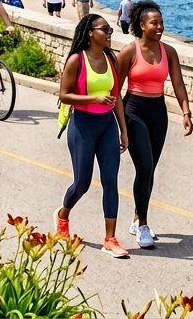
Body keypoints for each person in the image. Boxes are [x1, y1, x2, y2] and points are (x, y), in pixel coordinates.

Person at [117, 0, 192, 250]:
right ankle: (143, 226)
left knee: (149, 171)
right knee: (145, 167)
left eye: (161, 22)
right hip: (134, 110)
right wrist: (118, 125)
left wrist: (186, 111)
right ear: (141, 24)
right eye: (154, 23)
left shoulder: (168, 51)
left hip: (158, 112)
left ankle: (137, 216)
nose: (160, 27)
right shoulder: (129, 51)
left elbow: (179, 83)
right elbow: (115, 90)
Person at [55, 13, 130, 258]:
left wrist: (123, 130)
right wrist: (92, 98)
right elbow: (64, 95)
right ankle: (63, 216)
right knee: (82, 183)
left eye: (110, 30)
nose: (109, 33)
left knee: (111, 181)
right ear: (90, 32)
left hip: (107, 125)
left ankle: (110, 238)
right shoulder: (77, 60)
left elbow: (116, 95)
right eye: (104, 29)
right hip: (83, 125)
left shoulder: (111, 58)